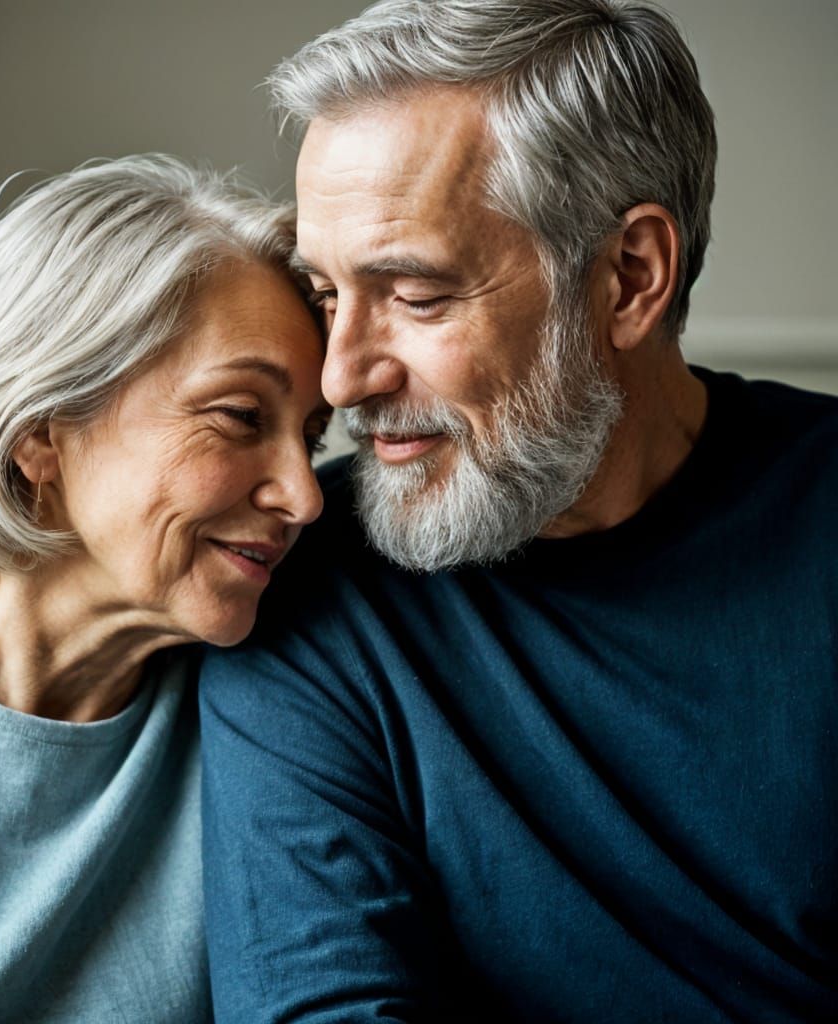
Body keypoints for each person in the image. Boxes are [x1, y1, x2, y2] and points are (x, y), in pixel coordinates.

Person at [199, 2, 838, 1021]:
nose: (342, 375)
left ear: (629, 277)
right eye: (325, 295)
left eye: (412, 295)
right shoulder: (305, 604)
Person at [0, 154, 329, 1022]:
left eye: (312, 438)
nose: (306, 495)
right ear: (39, 433)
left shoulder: (271, 714)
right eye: (242, 417)